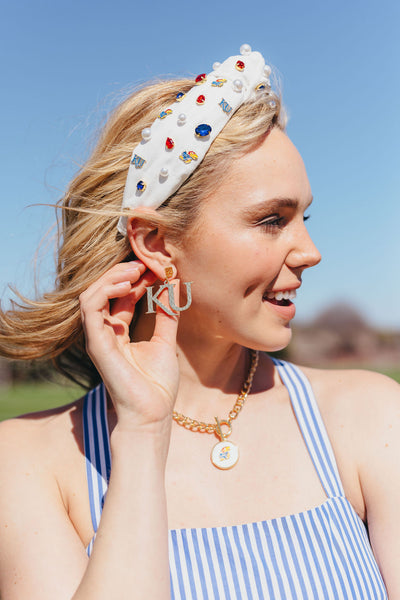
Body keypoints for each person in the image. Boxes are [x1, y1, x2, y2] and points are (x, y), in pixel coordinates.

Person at [0, 44, 398, 600]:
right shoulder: (25, 464)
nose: (310, 251)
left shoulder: (369, 419)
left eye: (303, 218)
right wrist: (142, 433)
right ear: (156, 242)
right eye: (270, 220)